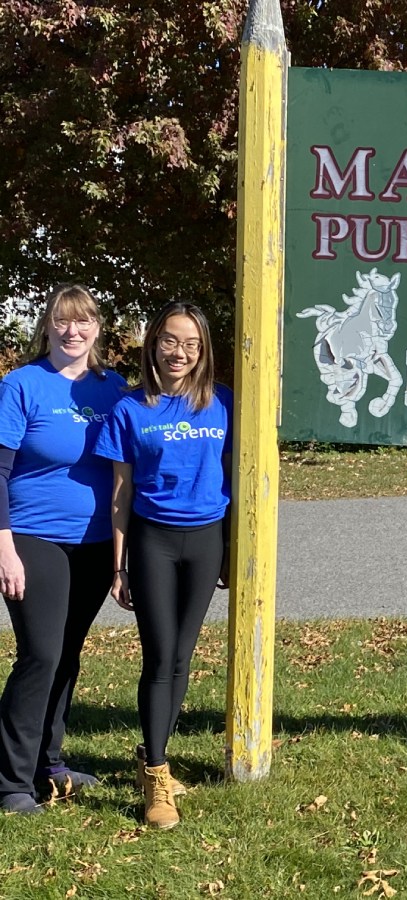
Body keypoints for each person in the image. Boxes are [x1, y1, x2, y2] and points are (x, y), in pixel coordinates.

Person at [94, 302, 232, 829]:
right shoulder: (130, 409)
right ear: (154, 344)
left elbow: (235, 477)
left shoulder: (223, 404)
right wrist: (119, 565)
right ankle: (155, 774)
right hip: (153, 541)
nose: (180, 352)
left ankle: (156, 755)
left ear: (203, 351)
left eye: (191, 344)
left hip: (204, 541)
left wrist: (228, 551)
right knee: (159, 658)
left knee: (182, 657)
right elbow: (120, 492)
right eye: (171, 341)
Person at [0, 284, 128, 815]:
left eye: (83, 322)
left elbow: (130, 465)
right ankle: (10, 783)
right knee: (41, 655)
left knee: (66, 654)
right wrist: (3, 547)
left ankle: (50, 764)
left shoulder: (114, 388)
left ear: (98, 328)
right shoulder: (21, 385)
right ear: (47, 326)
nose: (72, 331)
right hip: (32, 538)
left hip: (96, 544)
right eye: (62, 321)